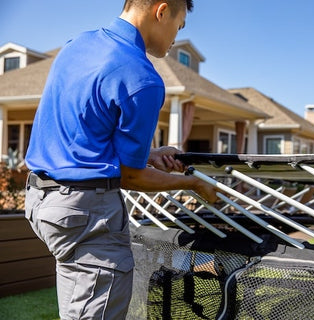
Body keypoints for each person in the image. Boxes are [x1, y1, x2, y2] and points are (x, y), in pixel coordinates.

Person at [24, 0, 217, 319]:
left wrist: (150, 155)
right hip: (85, 213)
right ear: (162, 11)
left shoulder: (77, 45)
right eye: (179, 26)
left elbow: (83, 132)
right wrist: (195, 184)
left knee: (78, 309)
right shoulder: (142, 77)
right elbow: (132, 177)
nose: (175, 37)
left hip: (42, 202)